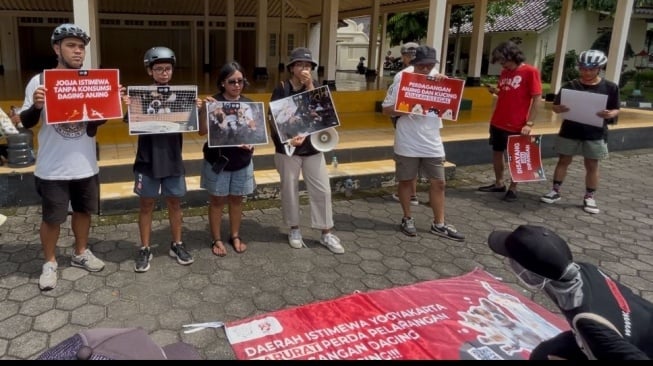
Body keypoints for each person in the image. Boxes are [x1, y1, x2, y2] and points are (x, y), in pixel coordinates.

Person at [18, 23, 108, 290]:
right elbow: (25, 123)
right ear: (57, 48)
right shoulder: (40, 81)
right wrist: (36, 106)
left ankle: (80, 252)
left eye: (81, 47)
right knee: (52, 218)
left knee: (83, 211)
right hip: (52, 167)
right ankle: (50, 262)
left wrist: (107, 106)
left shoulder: (91, 80)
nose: (78, 51)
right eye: (71, 45)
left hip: (85, 163)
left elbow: (93, 126)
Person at [487, 224, 652, 360]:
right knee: (545, 354)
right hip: (635, 326)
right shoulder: (585, 269)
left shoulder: (589, 323)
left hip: (636, 349)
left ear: (530, 274)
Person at [125, 46, 201, 272]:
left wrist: (196, 109)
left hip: (172, 158)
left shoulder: (182, 96)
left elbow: (193, 124)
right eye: (158, 69)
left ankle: (176, 243)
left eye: (168, 69)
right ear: (150, 71)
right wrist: (129, 107)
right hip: (147, 159)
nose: (164, 73)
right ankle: (145, 247)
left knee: (175, 202)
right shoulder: (139, 95)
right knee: (146, 204)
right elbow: (129, 120)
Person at [382, 45, 465, 241]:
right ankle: (407, 218)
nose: (426, 69)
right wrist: (405, 108)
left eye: (429, 65)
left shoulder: (438, 77)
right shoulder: (402, 77)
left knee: (439, 182)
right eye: (422, 66)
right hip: (407, 139)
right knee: (405, 180)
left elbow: (450, 100)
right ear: (413, 63)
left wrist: (444, 83)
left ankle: (439, 223)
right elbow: (386, 109)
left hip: (432, 139)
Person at [269, 47, 344, 254]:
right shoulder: (282, 89)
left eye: (308, 65)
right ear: (292, 68)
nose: (304, 69)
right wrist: (288, 140)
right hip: (289, 150)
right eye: (300, 65)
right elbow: (274, 120)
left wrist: (310, 85)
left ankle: (326, 231)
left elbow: (325, 114)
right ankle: (294, 228)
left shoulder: (316, 87)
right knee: (290, 190)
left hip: (313, 147)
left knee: (322, 189)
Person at [540, 50, 620, 214]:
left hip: (595, 132)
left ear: (599, 69)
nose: (586, 72)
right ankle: (555, 191)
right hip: (570, 129)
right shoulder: (570, 85)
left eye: (591, 69)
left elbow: (616, 109)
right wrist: (558, 108)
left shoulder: (610, 87)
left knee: (592, 164)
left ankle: (589, 196)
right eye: (583, 68)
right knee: (563, 160)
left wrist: (610, 114)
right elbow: (555, 106)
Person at [198, 61, 254, 256]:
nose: (237, 85)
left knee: (237, 199)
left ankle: (235, 235)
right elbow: (202, 131)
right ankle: (217, 238)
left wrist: (252, 141)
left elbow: (254, 130)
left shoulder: (248, 104)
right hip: (218, 161)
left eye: (240, 81)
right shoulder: (213, 103)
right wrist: (205, 111)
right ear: (222, 83)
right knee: (216, 200)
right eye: (232, 81)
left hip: (242, 160)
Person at [477, 41, 542, 202]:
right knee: (497, 152)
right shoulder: (505, 72)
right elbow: (506, 91)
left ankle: (513, 187)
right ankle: (499, 183)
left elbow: (537, 98)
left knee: (517, 156)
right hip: (498, 120)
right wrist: (496, 90)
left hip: (517, 123)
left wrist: (529, 123)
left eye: (504, 61)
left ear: (513, 56)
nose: (503, 65)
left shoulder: (530, 71)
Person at [390, 42, 420, 206]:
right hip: (429, 128)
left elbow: (392, 104)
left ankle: (409, 195)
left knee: (407, 159)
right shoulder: (436, 74)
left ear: (405, 57)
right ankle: (413, 194)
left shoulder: (402, 75)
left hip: (406, 122)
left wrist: (394, 114)